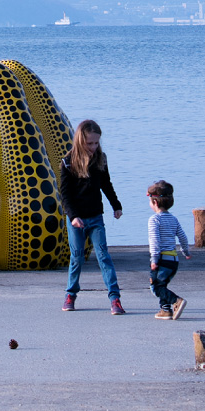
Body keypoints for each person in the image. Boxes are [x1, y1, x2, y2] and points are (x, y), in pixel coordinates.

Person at [59, 119, 124, 313]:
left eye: (96, 143)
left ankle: (115, 299)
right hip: (76, 219)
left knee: (104, 256)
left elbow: (106, 185)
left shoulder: (100, 159)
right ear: (80, 141)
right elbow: (65, 195)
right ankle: (70, 295)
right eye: (90, 143)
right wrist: (73, 217)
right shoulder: (68, 162)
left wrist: (116, 205)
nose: (93, 147)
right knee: (77, 257)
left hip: (96, 217)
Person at [147, 179, 191, 319]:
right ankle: (165, 310)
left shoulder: (154, 220)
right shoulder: (173, 219)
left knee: (156, 286)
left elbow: (155, 241)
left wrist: (154, 259)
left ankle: (176, 301)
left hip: (162, 259)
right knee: (163, 284)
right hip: (174, 260)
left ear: (155, 202)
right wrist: (185, 251)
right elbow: (183, 237)